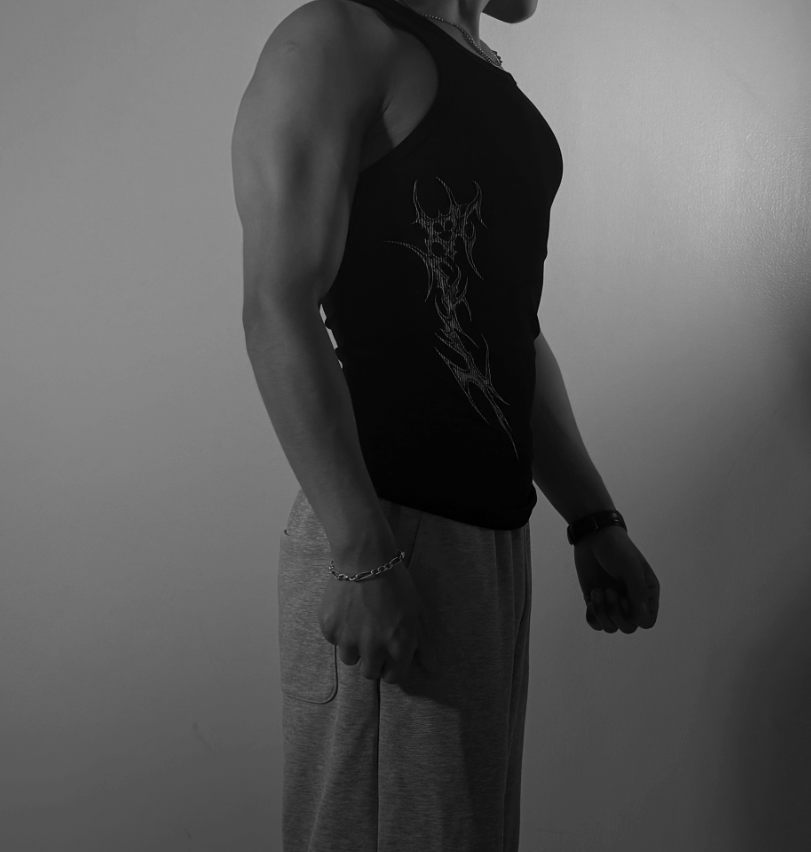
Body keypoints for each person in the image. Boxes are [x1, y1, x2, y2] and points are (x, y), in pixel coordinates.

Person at [231, 1, 661, 849]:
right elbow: (275, 304)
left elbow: (503, 327)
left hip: (487, 541)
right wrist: (362, 552)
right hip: (388, 532)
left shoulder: (479, 75)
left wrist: (591, 515)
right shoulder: (338, 39)